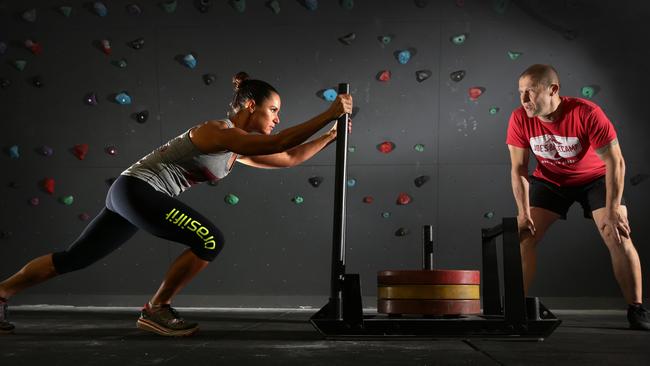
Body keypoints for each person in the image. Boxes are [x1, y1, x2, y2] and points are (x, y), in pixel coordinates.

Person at [0, 72, 353, 336]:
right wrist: (327, 112)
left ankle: (1, 293)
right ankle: (157, 308)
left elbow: (288, 156)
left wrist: (332, 134)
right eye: (273, 110)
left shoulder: (234, 149)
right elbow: (276, 144)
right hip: (137, 190)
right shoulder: (216, 131)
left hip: (132, 193)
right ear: (250, 105)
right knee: (209, 240)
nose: (277, 119)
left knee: (74, 258)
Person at [506, 64, 649, 330]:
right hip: (550, 181)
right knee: (523, 235)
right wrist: (523, 213)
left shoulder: (586, 113)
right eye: (521, 92)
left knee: (616, 233)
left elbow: (615, 162)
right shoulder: (519, 118)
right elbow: (519, 169)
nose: (524, 100)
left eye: (531, 92)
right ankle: (516, 309)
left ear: (553, 90)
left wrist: (614, 207)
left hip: (594, 180)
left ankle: (636, 309)